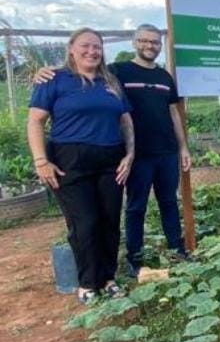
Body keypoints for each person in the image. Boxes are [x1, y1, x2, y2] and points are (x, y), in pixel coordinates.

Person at [34, 24, 190, 278]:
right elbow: (85, 75)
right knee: (135, 206)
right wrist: (43, 72)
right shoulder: (117, 73)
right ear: (134, 43)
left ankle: (176, 248)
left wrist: (183, 147)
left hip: (166, 152)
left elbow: (174, 112)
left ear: (160, 45)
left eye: (155, 42)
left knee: (169, 202)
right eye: (144, 41)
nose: (149, 46)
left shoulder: (164, 77)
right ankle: (134, 257)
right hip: (136, 155)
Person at [27, 28, 135, 303]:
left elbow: (125, 121)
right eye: (85, 46)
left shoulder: (109, 82)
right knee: (84, 222)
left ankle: (108, 278)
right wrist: (41, 161)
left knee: (110, 220)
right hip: (68, 161)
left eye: (97, 46)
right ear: (72, 48)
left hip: (110, 159)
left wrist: (129, 154)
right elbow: (35, 121)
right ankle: (87, 283)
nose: (92, 51)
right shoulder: (54, 79)